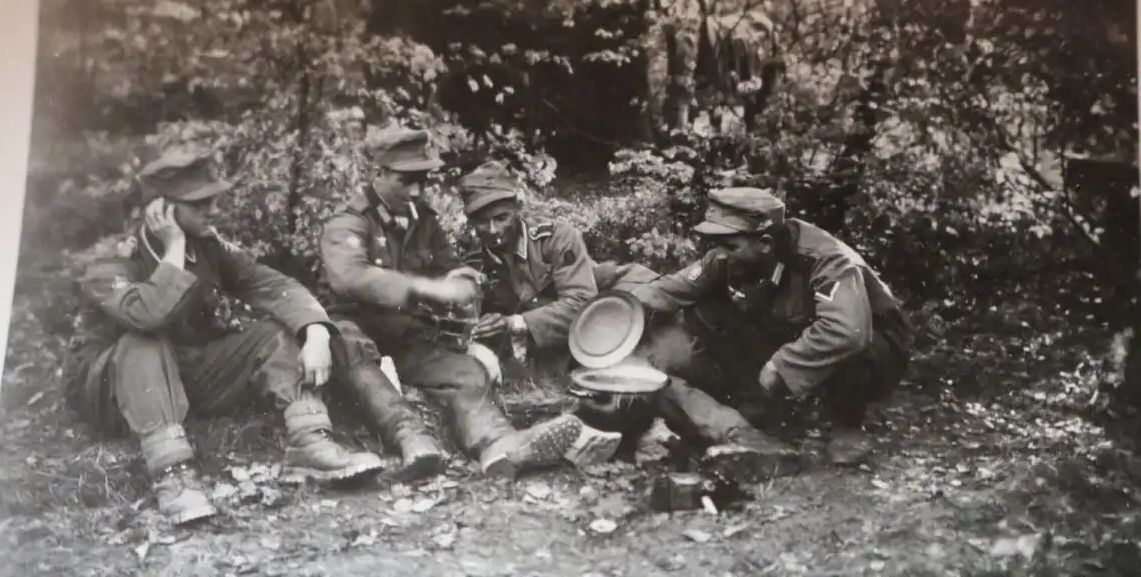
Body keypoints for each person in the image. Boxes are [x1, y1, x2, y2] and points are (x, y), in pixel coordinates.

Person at [62, 143, 385, 528]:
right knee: (144, 341)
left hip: (181, 376)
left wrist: (315, 330)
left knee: (271, 334)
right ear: (161, 210)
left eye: (212, 201)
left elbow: (268, 284)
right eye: (199, 205)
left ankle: (310, 441)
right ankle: (173, 476)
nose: (213, 212)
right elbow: (148, 315)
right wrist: (175, 248)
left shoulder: (208, 247)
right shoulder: (112, 261)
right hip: (110, 390)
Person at [318, 127, 624, 479]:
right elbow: (350, 278)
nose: (417, 191)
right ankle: (412, 438)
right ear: (378, 174)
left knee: (466, 373)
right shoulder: (348, 223)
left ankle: (500, 445)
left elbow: (453, 267)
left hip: (405, 334)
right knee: (351, 346)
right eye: (407, 181)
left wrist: (463, 283)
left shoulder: (423, 221)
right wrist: (429, 289)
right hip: (352, 332)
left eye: (422, 180)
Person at [622, 187, 913, 467]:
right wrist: (611, 318)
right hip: (802, 329)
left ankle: (848, 423)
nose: (719, 254)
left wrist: (781, 364)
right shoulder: (727, 257)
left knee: (854, 343)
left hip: (877, 339)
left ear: (765, 244)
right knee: (706, 310)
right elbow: (670, 290)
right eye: (717, 244)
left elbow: (848, 330)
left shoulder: (825, 258)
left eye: (731, 245)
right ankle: (759, 399)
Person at [456, 160, 660, 365]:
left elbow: (581, 303)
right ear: (470, 221)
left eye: (501, 218)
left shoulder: (555, 238)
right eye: (482, 221)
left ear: (517, 209)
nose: (493, 230)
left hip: (619, 301)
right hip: (571, 336)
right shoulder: (475, 260)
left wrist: (514, 323)